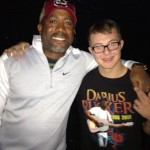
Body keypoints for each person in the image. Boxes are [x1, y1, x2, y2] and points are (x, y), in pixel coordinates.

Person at [0, 0, 150, 149]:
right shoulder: (10, 60)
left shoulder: (81, 60)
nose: (60, 28)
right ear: (40, 27)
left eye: (68, 23)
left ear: (73, 31)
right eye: (53, 21)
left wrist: (137, 67)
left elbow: (110, 59)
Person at [75, 19, 150, 150]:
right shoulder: (82, 81)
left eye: (112, 44)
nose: (106, 52)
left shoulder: (140, 83)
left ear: (121, 44)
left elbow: (147, 131)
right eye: (98, 46)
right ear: (91, 50)